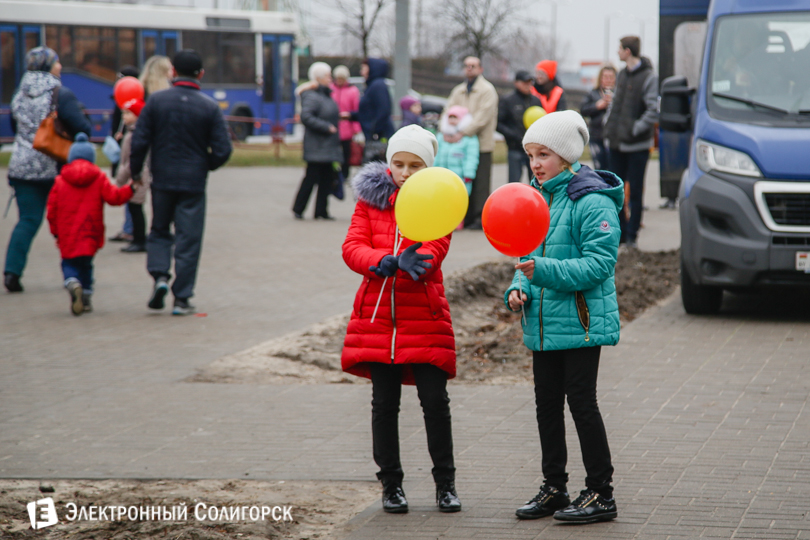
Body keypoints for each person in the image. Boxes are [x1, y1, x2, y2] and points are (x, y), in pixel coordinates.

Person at [505, 111, 623, 524]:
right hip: (542, 321)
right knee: (547, 406)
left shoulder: (592, 200)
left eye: (544, 154)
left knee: (582, 404)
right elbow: (526, 257)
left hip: (581, 321)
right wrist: (517, 288)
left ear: (568, 155)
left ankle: (601, 493)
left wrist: (542, 271)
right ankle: (555, 487)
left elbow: (599, 265)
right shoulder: (536, 198)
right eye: (531, 155)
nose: (535, 164)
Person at [342, 125, 462, 515]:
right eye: (399, 164)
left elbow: (435, 249)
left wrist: (418, 260)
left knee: (434, 402)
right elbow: (352, 247)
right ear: (389, 164)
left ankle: (445, 484)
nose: (406, 172)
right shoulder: (370, 202)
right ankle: (391, 485)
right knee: (384, 404)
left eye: (415, 165)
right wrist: (385, 261)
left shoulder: (437, 202)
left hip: (423, 318)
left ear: (428, 167)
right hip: (377, 319)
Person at [129, 49, 232, 315]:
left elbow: (139, 141)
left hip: (162, 178)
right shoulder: (209, 106)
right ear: (201, 74)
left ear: (173, 72)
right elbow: (223, 149)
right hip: (193, 182)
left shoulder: (156, 101)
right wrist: (205, 165)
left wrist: (136, 172)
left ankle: (160, 276)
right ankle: (182, 298)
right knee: (189, 239)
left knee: (159, 230)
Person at [4, 47, 92, 293]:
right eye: (57, 62)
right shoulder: (60, 93)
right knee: (67, 222)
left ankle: (12, 272)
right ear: (48, 66)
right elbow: (83, 127)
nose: (60, 67)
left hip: (22, 167)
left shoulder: (19, 94)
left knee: (27, 221)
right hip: (56, 166)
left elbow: (15, 127)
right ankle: (74, 274)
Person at [46, 133, 134, 315]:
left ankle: (72, 282)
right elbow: (114, 197)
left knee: (68, 263)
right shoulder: (99, 177)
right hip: (90, 231)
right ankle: (85, 297)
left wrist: (55, 232)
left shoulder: (60, 181)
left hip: (67, 234)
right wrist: (130, 189)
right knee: (86, 265)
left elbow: (51, 210)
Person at [604, 36, 658, 248]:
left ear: (628, 51)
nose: (618, 52)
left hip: (637, 146)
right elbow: (616, 103)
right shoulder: (622, 74)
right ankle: (621, 234)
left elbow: (653, 110)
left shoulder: (649, 77)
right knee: (616, 189)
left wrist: (635, 129)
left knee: (635, 190)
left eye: (620, 48)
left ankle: (633, 235)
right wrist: (609, 124)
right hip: (617, 143)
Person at [446, 56, 498, 229]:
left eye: (473, 66)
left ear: (480, 69)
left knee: (481, 182)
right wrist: (447, 131)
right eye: (467, 65)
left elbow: (483, 117)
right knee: (463, 179)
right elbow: (447, 111)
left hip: (481, 144)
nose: (469, 68)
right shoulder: (458, 91)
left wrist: (462, 132)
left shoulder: (487, 90)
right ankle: (465, 216)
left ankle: (479, 217)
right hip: (460, 145)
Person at [292, 62, 343, 221]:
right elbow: (306, 117)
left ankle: (321, 211)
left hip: (328, 145)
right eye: (327, 76)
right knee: (311, 178)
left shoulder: (325, 95)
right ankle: (298, 208)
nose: (330, 79)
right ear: (319, 78)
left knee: (326, 179)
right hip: (316, 145)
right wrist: (326, 127)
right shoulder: (311, 95)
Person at [108, 65, 140, 245]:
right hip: (122, 152)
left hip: (128, 156)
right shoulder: (122, 101)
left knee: (130, 190)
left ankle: (130, 229)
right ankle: (129, 228)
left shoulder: (133, 104)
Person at [342, 58, 395, 163]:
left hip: (379, 137)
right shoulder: (372, 85)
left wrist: (374, 131)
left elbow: (384, 111)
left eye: (364, 68)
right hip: (375, 135)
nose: (361, 72)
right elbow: (368, 113)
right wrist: (351, 115)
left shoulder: (378, 85)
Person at [115, 98, 151, 253]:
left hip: (137, 177)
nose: (124, 116)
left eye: (128, 113)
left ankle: (139, 240)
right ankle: (137, 238)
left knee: (136, 208)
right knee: (133, 207)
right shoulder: (130, 132)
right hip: (133, 175)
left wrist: (121, 177)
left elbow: (132, 160)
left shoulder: (136, 134)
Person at [497, 69, 543, 183]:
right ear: (516, 83)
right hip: (515, 148)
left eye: (530, 82)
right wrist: (514, 136)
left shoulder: (536, 101)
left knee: (537, 182)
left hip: (533, 149)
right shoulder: (507, 100)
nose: (528, 85)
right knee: (514, 182)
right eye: (525, 82)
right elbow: (498, 124)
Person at [435, 105, 479, 197]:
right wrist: (433, 169)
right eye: (450, 117)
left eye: (455, 117)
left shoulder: (469, 138)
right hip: (442, 177)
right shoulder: (441, 137)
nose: (452, 120)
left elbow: (471, 157)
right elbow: (436, 155)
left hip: (460, 178)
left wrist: (468, 174)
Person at [579, 65, 617, 171]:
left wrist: (613, 103)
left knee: (613, 167)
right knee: (599, 167)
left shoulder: (619, 94)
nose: (608, 80)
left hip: (614, 137)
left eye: (611, 77)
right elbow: (583, 110)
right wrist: (597, 106)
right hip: (597, 135)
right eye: (605, 77)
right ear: (600, 78)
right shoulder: (593, 93)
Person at [331, 65, 361, 181]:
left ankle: (344, 175)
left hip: (347, 127)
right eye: (338, 78)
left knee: (347, 153)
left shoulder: (352, 91)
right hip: (333, 127)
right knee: (333, 153)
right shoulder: (331, 89)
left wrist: (356, 128)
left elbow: (355, 109)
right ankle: (333, 174)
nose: (339, 81)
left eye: (342, 78)